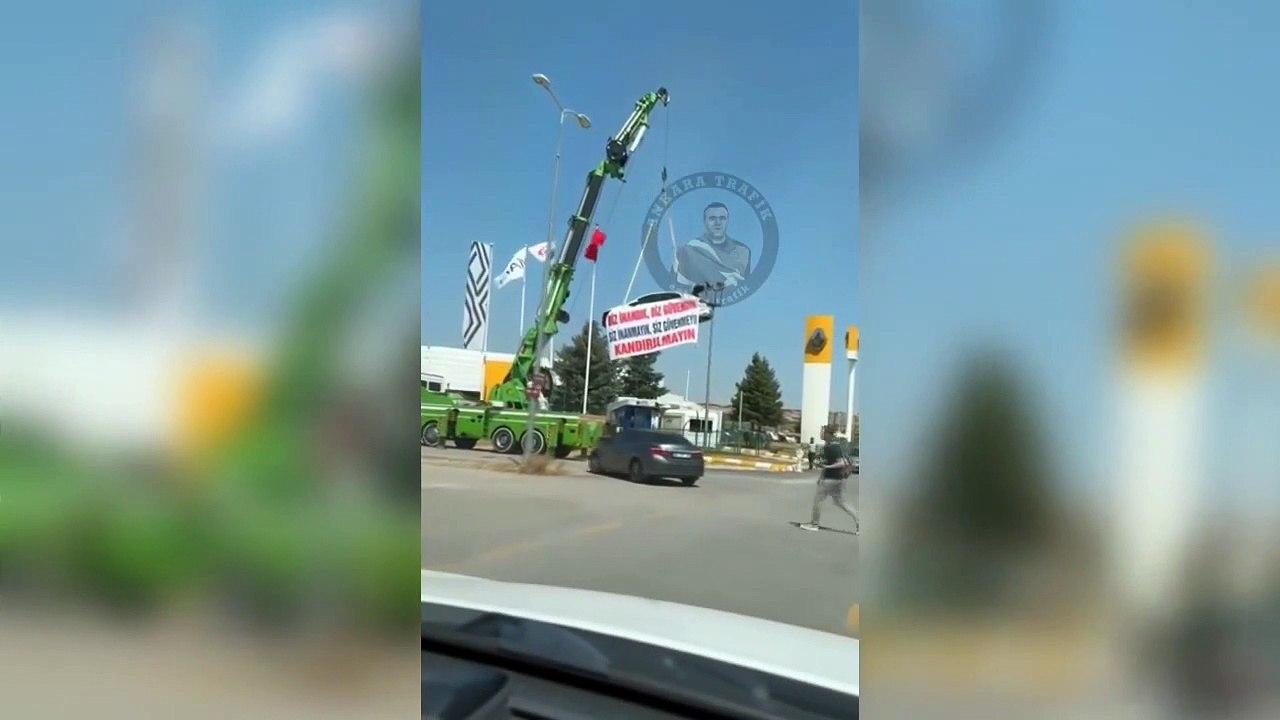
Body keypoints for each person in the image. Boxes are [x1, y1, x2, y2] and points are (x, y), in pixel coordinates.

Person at [673, 202, 752, 288]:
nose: (717, 223)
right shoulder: (689, 251)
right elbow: (676, 285)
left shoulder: (743, 252)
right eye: (712, 218)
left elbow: (745, 286)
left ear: (727, 221)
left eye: (722, 218)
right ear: (705, 221)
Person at [799, 442, 859, 534]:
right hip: (837, 480)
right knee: (842, 502)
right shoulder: (836, 447)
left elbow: (841, 463)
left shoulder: (833, 447)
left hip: (830, 480)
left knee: (818, 501)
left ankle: (814, 524)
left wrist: (827, 467)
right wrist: (821, 476)